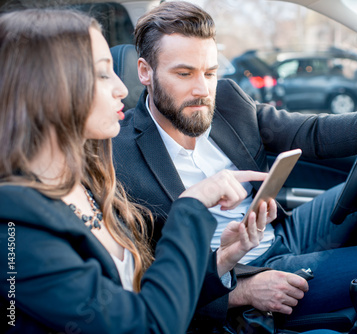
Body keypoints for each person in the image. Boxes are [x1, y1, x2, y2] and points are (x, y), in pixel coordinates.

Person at [112, 0, 357, 330]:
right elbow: (141, 284)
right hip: (236, 275)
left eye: (209, 72)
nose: (202, 89)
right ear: (145, 72)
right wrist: (238, 294)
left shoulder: (226, 99)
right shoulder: (120, 158)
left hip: (277, 233)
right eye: (184, 74)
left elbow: (308, 132)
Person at [0, 8, 289, 334]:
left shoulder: (93, 180)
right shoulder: (15, 230)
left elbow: (152, 291)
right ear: (45, 89)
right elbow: (149, 324)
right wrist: (190, 208)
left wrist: (223, 258)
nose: (122, 89)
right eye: (102, 74)